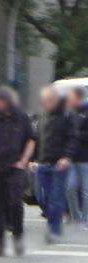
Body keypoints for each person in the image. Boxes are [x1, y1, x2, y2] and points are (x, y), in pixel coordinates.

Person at [0, 87, 35, 257]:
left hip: (15, 168)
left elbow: (31, 140)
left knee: (15, 203)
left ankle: (18, 237)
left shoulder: (22, 118)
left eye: (0, 100)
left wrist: (23, 161)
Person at [34, 85, 79, 245]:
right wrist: (33, 159)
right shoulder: (43, 115)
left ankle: (54, 232)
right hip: (42, 163)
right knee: (41, 197)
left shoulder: (67, 115)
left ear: (55, 99)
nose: (46, 103)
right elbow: (37, 137)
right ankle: (55, 220)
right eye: (44, 101)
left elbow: (73, 137)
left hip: (59, 164)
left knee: (55, 198)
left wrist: (67, 156)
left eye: (49, 100)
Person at [65, 86, 88, 231]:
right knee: (70, 187)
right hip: (71, 157)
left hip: (85, 157)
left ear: (77, 98)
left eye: (71, 96)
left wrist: (76, 135)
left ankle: (85, 220)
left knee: (86, 190)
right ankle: (76, 218)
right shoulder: (70, 113)